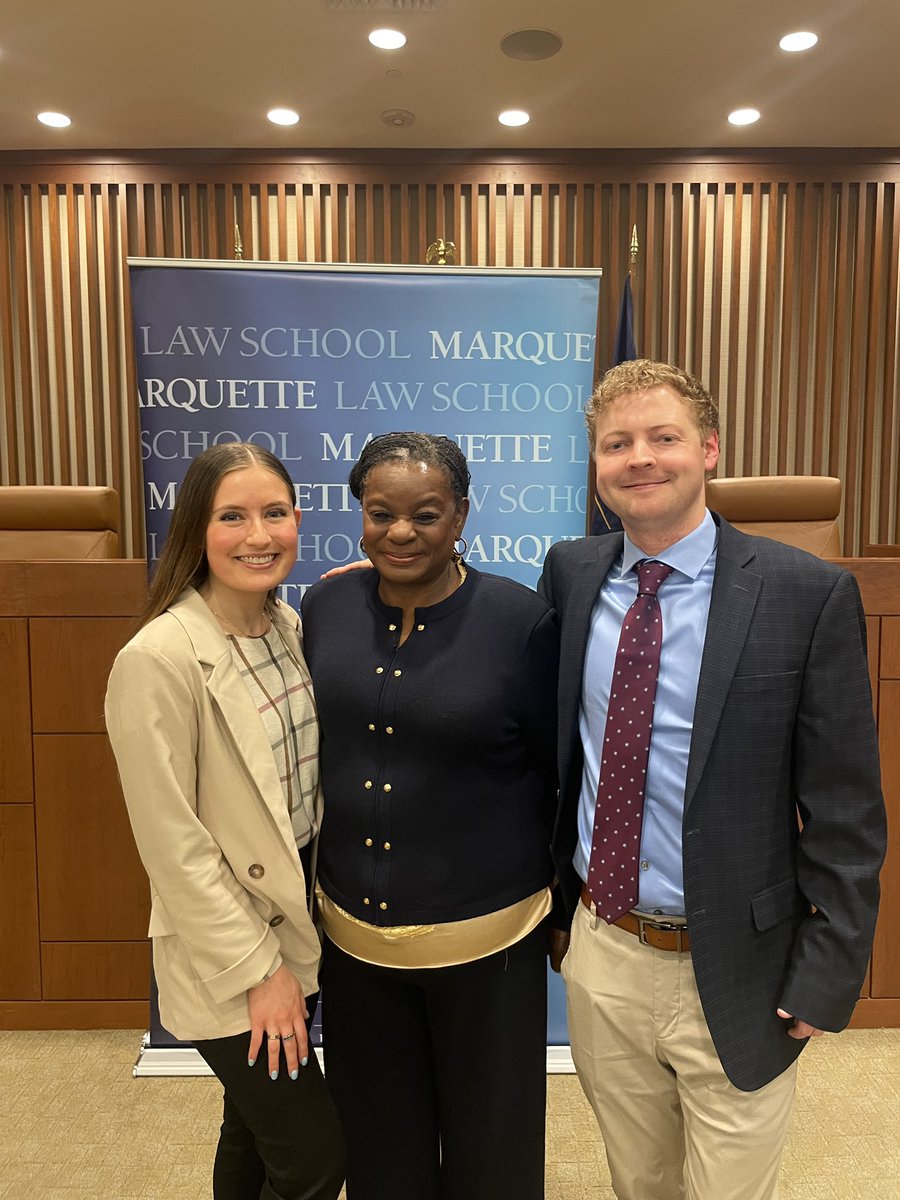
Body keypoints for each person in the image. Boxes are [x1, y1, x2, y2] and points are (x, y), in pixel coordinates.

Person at [539, 360, 886, 1200]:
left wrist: (830, 968)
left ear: (710, 450)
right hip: (604, 950)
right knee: (639, 1179)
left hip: (741, 960)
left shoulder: (807, 594)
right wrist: (378, 594)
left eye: (663, 438)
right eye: (616, 443)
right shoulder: (572, 572)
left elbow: (844, 805)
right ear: (596, 463)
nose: (640, 459)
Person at [300, 432, 559, 1200]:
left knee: (493, 1157)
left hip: (492, 945)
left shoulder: (521, 622)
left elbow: (558, 774)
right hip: (355, 947)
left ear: (461, 516)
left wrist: (566, 905)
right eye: (380, 514)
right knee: (378, 1150)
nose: (401, 532)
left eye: (425, 513)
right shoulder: (325, 605)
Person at [105, 443, 345, 1200]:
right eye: (231, 517)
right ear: (194, 530)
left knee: (251, 1133)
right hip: (230, 951)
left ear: (298, 520)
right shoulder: (158, 658)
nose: (258, 535)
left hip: (297, 920)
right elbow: (173, 849)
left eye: (274, 514)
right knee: (315, 1159)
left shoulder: (288, 627)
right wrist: (258, 973)